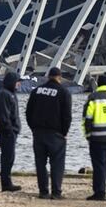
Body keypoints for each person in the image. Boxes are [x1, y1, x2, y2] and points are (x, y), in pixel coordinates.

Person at [25, 66, 72, 200]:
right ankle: (56, 192)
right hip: (56, 134)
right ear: (60, 77)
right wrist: (64, 132)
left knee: (40, 163)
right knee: (57, 163)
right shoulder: (63, 92)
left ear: (48, 77)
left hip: (38, 133)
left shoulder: (37, 91)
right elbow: (67, 115)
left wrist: (33, 128)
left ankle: (43, 191)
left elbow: (28, 112)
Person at [0, 71, 23, 192]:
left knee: (10, 157)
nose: (19, 85)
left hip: (12, 131)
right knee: (7, 158)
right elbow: (3, 115)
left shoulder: (11, 94)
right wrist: (9, 130)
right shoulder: (4, 95)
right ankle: (6, 183)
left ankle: (8, 181)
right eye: (17, 82)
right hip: (7, 132)